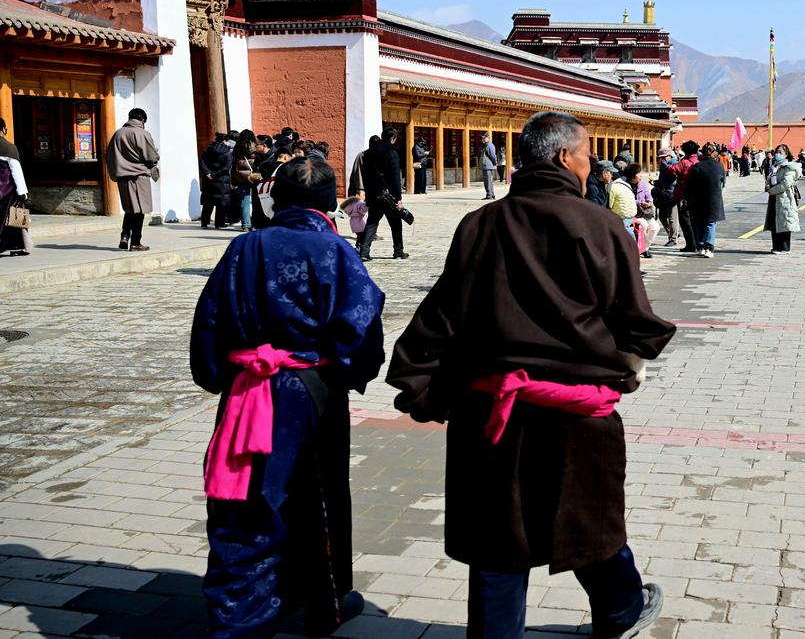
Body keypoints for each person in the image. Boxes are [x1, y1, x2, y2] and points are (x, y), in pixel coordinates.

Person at [386, 110, 673, 639]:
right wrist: (626, 371)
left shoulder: (481, 224)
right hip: (577, 410)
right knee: (589, 521)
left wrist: (420, 383)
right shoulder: (600, 225)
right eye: (586, 154)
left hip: (491, 413)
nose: (590, 165)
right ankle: (620, 613)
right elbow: (633, 318)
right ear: (564, 157)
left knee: (498, 540)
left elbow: (446, 313)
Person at [191, 157, 385, 638]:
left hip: (247, 391)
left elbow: (210, 322)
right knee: (316, 499)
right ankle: (315, 604)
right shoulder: (335, 251)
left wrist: (218, 375)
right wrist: (349, 372)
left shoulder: (244, 247)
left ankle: (248, 607)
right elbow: (361, 331)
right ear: (328, 201)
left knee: (246, 501)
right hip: (311, 392)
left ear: (275, 200)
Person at [105, 108, 160, 252]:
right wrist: (155, 155)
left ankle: (124, 236)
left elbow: (109, 155)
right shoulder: (142, 133)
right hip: (139, 176)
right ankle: (135, 242)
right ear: (142, 119)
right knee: (140, 210)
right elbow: (151, 157)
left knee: (130, 208)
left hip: (123, 177)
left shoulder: (118, 134)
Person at [354, 129, 409, 261]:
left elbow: (365, 176)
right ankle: (398, 251)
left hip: (374, 194)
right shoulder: (392, 153)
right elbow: (395, 177)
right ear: (393, 138)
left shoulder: (368, 153)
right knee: (395, 223)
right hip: (389, 195)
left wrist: (368, 194)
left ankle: (364, 252)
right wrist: (398, 198)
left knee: (372, 222)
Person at [684, 144, 726, 258]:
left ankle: (701, 246)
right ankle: (709, 247)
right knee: (710, 223)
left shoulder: (697, 166)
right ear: (713, 153)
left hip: (699, 198)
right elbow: (723, 182)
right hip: (714, 198)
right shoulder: (719, 166)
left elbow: (690, 185)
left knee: (699, 222)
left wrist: (687, 198)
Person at [0, 117, 32, 257]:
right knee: (14, 219)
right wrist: (23, 192)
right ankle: (16, 247)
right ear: (3, 130)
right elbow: (16, 171)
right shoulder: (9, 148)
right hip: (7, 190)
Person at [765, 145, 801, 254]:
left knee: (784, 222)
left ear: (786, 154)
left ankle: (784, 248)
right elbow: (770, 179)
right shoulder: (775, 167)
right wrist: (768, 185)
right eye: (777, 152)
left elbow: (786, 183)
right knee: (774, 223)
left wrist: (772, 190)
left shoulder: (789, 167)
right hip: (774, 198)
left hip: (784, 198)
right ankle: (776, 247)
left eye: (780, 152)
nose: (777, 154)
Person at [670, 140, 701, 253]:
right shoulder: (698, 161)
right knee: (695, 220)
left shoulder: (684, 162)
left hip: (684, 194)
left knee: (685, 220)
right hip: (697, 195)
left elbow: (671, 169)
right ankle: (698, 243)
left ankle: (691, 244)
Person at [624, 163, 659, 259]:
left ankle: (645, 248)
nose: (641, 175)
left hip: (644, 212)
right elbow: (628, 199)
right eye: (638, 173)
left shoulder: (642, 184)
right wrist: (640, 202)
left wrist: (649, 202)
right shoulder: (625, 185)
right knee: (643, 225)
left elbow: (649, 196)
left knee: (655, 227)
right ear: (632, 176)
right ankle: (640, 248)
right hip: (633, 213)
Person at [199, 133, 233, 229]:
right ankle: (219, 223)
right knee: (221, 202)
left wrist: (208, 173)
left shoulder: (208, 149)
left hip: (208, 179)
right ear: (225, 140)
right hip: (221, 179)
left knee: (208, 202)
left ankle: (204, 222)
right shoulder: (227, 152)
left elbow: (202, 162)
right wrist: (216, 174)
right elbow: (227, 166)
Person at [230, 132, 258, 232]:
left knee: (243, 201)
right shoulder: (255, 146)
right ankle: (255, 223)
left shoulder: (238, 147)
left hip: (241, 178)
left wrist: (233, 180)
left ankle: (246, 224)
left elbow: (233, 166)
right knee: (256, 201)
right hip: (254, 176)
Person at [653, 149, 679, 247]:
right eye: (660, 158)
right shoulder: (663, 165)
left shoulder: (675, 163)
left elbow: (674, 175)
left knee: (672, 217)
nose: (661, 160)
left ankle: (673, 239)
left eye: (663, 157)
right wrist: (657, 182)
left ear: (669, 156)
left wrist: (666, 166)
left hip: (672, 193)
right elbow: (662, 178)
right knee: (662, 217)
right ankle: (673, 233)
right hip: (663, 194)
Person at [480, 132, 499, 200]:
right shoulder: (486, 145)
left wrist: (495, 163)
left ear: (488, 138)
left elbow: (493, 156)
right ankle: (491, 195)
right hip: (486, 166)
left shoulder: (490, 145)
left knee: (487, 181)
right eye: (482, 138)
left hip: (488, 166)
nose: (483, 139)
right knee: (489, 181)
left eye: (484, 138)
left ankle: (489, 195)